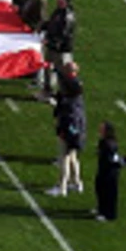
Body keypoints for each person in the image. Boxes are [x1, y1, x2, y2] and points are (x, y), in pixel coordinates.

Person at [51, 62, 88, 198]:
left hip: (70, 127)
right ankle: (77, 183)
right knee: (72, 156)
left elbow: (65, 83)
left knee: (64, 157)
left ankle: (62, 187)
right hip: (76, 127)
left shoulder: (73, 88)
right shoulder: (74, 88)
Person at [92, 121, 126, 220]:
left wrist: (125, 162)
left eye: (102, 128)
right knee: (100, 189)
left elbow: (112, 159)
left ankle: (108, 214)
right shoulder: (104, 141)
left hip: (110, 173)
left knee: (109, 193)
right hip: (103, 170)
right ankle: (101, 209)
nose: (99, 130)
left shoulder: (109, 144)